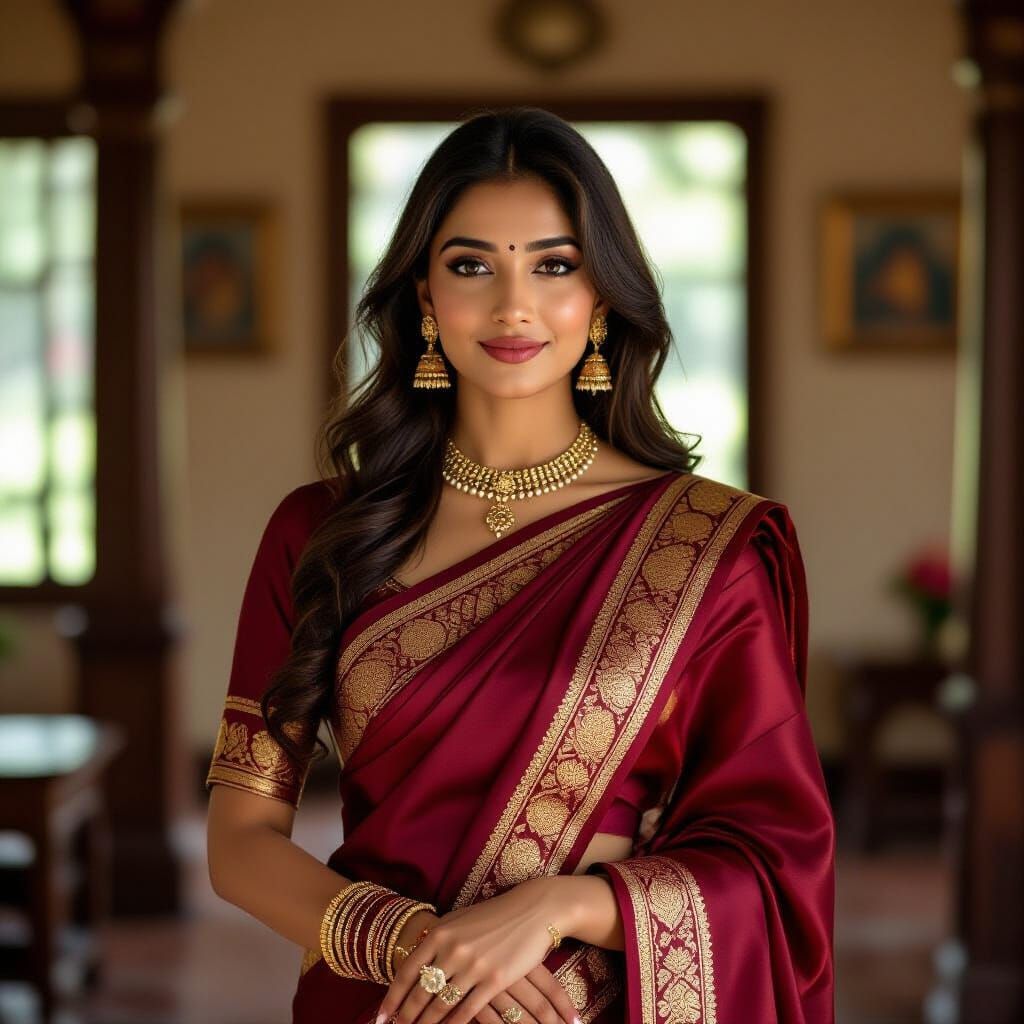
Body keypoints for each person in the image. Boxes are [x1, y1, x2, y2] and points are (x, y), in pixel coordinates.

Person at [205, 106, 835, 1024]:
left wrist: (557, 907)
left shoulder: (707, 548)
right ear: (424, 296)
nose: (513, 305)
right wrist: (420, 948)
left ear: (603, 299)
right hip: (380, 1000)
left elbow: (774, 861)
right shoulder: (322, 533)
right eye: (471, 266)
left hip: (595, 1004)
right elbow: (239, 841)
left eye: (554, 264)